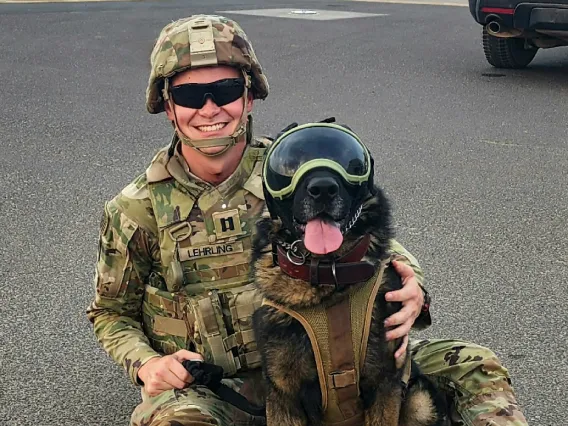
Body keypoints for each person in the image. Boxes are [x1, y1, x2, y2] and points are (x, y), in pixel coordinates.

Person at [86, 14, 529, 426]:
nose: (209, 108)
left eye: (224, 91)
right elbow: (110, 311)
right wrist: (146, 363)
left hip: (340, 360)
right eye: (187, 94)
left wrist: (413, 283)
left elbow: (369, 230)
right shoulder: (136, 208)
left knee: (475, 366)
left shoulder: (295, 169)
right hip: (220, 386)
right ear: (168, 106)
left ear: (248, 95)